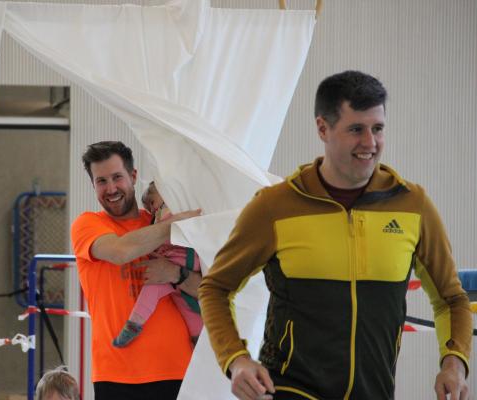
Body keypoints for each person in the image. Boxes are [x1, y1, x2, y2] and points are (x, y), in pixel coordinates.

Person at [199, 71, 473, 400]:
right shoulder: (274, 207)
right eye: (356, 129)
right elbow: (216, 288)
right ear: (322, 128)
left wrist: (454, 363)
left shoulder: (414, 206)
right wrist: (236, 359)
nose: (370, 143)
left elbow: (451, 299)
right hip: (289, 389)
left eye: (378, 128)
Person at [71, 141, 202, 400]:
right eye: (101, 181)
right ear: (93, 185)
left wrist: (175, 274)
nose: (111, 188)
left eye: (117, 177)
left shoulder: (157, 219)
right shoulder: (87, 224)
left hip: (178, 370)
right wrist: (176, 225)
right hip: (117, 376)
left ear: (133, 176)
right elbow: (120, 251)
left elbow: (210, 290)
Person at [113, 181, 203, 348]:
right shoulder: (159, 216)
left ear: (165, 192)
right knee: (185, 307)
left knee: (152, 289)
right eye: (149, 209)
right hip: (176, 263)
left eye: (152, 202)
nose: (152, 210)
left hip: (185, 258)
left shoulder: (172, 209)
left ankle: (135, 322)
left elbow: (169, 231)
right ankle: (197, 339)